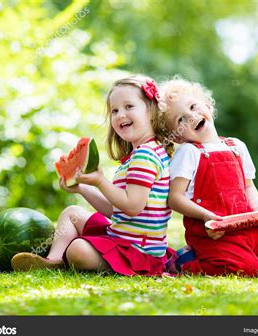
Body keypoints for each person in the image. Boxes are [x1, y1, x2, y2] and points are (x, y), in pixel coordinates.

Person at [12, 75, 173, 276]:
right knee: (72, 213)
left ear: (151, 110)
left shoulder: (145, 155)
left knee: (78, 250)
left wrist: (101, 181)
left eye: (129, 107)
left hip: (138, 253)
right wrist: (82, 187)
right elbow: (117, 211)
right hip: (122, 239)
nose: (120, 115)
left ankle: (89, 261)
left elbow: (132, 207)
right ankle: (52, 261)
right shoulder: (140, 154)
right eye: (114, 110)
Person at [158, 77, 258, 276]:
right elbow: (175, 198)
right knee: (247, 269)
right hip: (214, 236)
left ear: (207, 105)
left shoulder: (237, 146)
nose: (190, 116)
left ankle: (242, 255)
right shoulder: (189, 152)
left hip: (248, 232)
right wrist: (206, 216)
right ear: (177, 136)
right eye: (180, 119)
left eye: (193, 106)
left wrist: (257, 207)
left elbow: (248, 187)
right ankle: (185, 263)